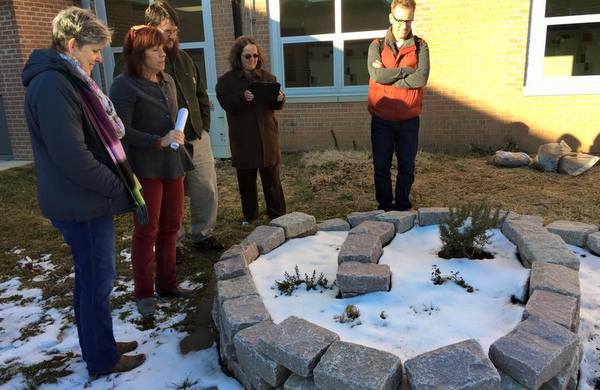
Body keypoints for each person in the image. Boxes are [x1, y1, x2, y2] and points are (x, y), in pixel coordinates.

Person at [22, 6, 145, 377]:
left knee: (91, 280)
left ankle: (98, 344)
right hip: (83, 203)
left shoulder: (68, 81)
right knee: (97, 280)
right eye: (93, 50)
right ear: (72, 45)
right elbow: (72, 157)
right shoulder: (54, 85)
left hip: (85, 200)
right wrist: (118, 188)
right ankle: (103, 358)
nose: (97, 58)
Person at [110, 25, 194, 317]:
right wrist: (157, 140)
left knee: (172, 226)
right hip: (145, 169)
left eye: (163, 48)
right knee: (147, 231)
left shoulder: (167, 80)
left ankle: (167, 283)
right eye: (155, 49)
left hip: (173, 165)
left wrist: (177, 134)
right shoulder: (124, 85)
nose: (163, 53)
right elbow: (120, 131)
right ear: (138, 53)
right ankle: (144, 293)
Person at [144, 0, 223, 251]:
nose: (173, 36)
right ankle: (171, 244)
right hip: (166, 143)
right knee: (170, 197)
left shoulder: (185, 59)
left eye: (175, 31)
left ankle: (202, 234)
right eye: (168, 31)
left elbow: (201, 93)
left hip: (196, 138)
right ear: (151, 28)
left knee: (206, 189)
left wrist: (204, 126)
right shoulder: (139, 63)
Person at [367, 0, 430, 211]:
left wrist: (390, 76)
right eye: (400, 19)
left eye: (409, 20)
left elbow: (421, 79)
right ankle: (384, 207)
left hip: (408, 120)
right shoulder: (376, 45)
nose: (404, 25)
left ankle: (402, 206)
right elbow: (376, 75)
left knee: (407, 166)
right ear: (391, 18)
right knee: (381, 166)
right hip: (382, 120)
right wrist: (405, 72)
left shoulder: (421, 46)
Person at [216, 36, 286, 224]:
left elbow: (275, 105)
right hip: (244, 138)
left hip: (267, 137)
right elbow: (226, 104)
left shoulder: (268, 78)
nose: (252, 60)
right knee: (246, 181)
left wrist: (279, 98)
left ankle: (277, 215)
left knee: (272, 180)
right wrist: (242, 98)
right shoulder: (226, 82)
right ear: (238, 57)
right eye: (248, 56)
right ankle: (250, 216)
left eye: (255, 55)